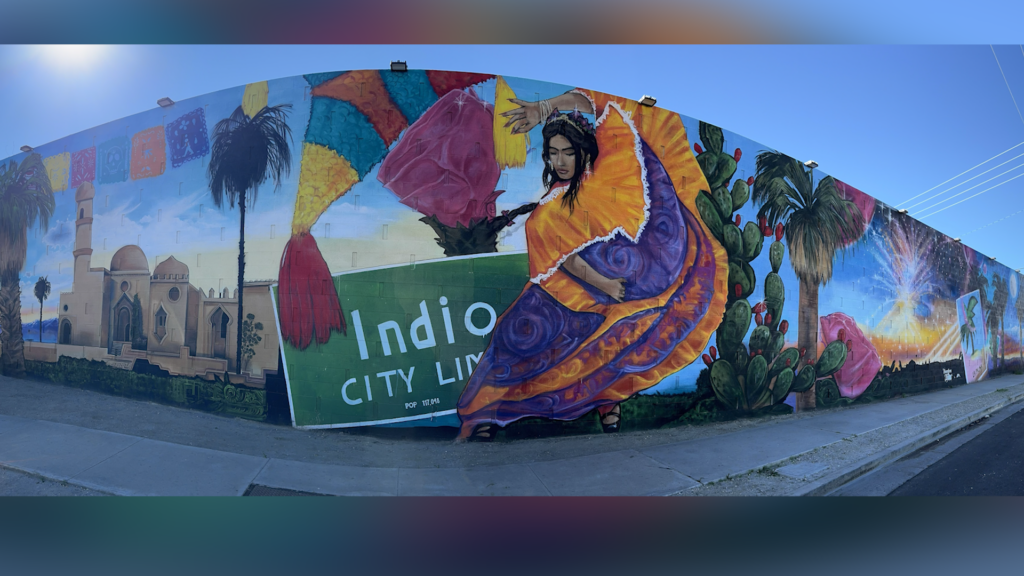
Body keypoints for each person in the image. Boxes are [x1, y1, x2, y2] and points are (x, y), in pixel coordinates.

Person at [455, 89, 728, 441]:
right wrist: (605, 285)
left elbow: (590, 105)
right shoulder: (548, 210)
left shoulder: (606, 172)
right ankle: (485, 419)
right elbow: (563, 258)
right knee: (523, 341)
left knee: (606, 351)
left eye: (568, 152)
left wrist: (544, 107)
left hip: (625, 283)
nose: (561, 160)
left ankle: (607, 413)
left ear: (583, 150)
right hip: (584, 294)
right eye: (553, 153)